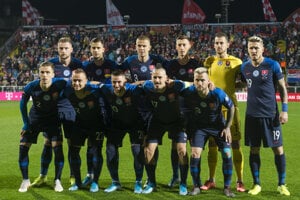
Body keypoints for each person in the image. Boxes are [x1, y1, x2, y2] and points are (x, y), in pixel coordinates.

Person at [31, 36, 83, 187]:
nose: (63, 51)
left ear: (72, 49)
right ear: (57, 49)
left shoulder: (78, 65)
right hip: (51, 109)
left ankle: (73, 175)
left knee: (72, 143)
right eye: (61, 48)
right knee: (48, 142)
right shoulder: (52, 65)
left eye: (66, 48)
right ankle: (43, 175)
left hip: (70, 108)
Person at [241, 36, 290, 196]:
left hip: (271, 115)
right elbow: (243, 83)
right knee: (254, 150)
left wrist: (284, 110)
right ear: (247, 49)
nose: (253, 50)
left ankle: (281, 184)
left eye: (256, 48)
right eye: (251, 48)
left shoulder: (272, 65)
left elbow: (282, 88)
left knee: (278, 149)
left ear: (262, 49)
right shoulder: (244, 67)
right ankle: (256, 184)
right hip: (252, 116)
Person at [202, 32, 245, 192]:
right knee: (212, 146)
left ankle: (239, 181)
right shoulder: (209, 61)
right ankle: (211, 179)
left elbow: (242, 82)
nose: (219, 45)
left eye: (221, 43)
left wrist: (231, 89)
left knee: (235, 144)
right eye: (216, 43)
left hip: (231, 109)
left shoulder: (237, 62)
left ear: (228, 45)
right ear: (213, 45)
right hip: (213, 111)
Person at [182, 67, 235, 197]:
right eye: (197, 80)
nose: (199, 83)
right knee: (195, 154)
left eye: (202, 80)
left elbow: (231, 107)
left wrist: (227, 127)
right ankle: (196, 186)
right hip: (199, 128)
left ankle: (227, 187)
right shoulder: (189, 92)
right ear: (193, 81)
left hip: (218, 127)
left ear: (208, 81)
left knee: (227, 153)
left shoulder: (217, 93)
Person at [18, 61, 66, 192]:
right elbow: (22, 104)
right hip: (35, 118)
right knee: (23, 147)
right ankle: (25, 180)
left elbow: (78, 83)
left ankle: (57, 180)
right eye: (42, 72)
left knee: (57, 148)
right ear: (38, 73)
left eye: (47, 72)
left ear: (53, 74)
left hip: (53, 120)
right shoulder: (31, 86)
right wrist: (26, 124)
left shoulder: (60, 84)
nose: (44, 75)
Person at [141, 65, 189, 195]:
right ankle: (151, 183)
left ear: (166, 79)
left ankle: (183, 183)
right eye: (154, 77)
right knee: (148, 151)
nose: (157, 80)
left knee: (181, 150)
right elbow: (141, 84)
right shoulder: (148, 87)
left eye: (160, 78)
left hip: (176, 121)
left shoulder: (175, 86)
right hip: (158, 121)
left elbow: (188, 84)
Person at [99, 70, 146, 194]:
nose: (116, 85)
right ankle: (115, 182)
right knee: (110, 150)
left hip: (136, 123)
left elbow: (147, 84)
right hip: (117, 124)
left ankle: (138, 182)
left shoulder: (133, 90)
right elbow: (94, 84)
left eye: (119, 82)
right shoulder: (107, 89)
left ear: (125, 82)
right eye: (114, 82)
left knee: (137, 152)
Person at [81, 37, 118, 187]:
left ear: (104, 49)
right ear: (90, 49)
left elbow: (118, 82)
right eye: (93, 48)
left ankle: (115, 180)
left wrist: (98, 85)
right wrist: (97, 84)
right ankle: (90, 176)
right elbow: (80, 82)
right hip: (92, 110)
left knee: (111, 147)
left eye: (98, 48)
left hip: (111, 111)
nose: (95, 50)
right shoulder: (86, 66)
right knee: (92, 146)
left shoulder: (112, 65)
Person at [165, 35, 200, 188]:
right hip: (175, 111)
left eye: (184, 45)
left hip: (194, 111)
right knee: (175, 146)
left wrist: (180, 83)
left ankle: (195, 178)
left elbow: (200, 83)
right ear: (175, 46)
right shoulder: (171, 64)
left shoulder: (196, 64)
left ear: (189, 46)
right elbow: (166, 84)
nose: (181, 47)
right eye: (179, 45)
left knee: (195, 147)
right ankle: (175, 176)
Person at [63, 69, 105, 193]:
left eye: (79, 80)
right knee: (73, 151)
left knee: (95, 152)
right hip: (79, 124)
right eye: (74, 80)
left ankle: (95, 181)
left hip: (97, 125)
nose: (76, 83)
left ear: (86, 81)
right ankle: (78, 182)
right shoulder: (68, 90)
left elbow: (110, 89)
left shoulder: (95, 91)